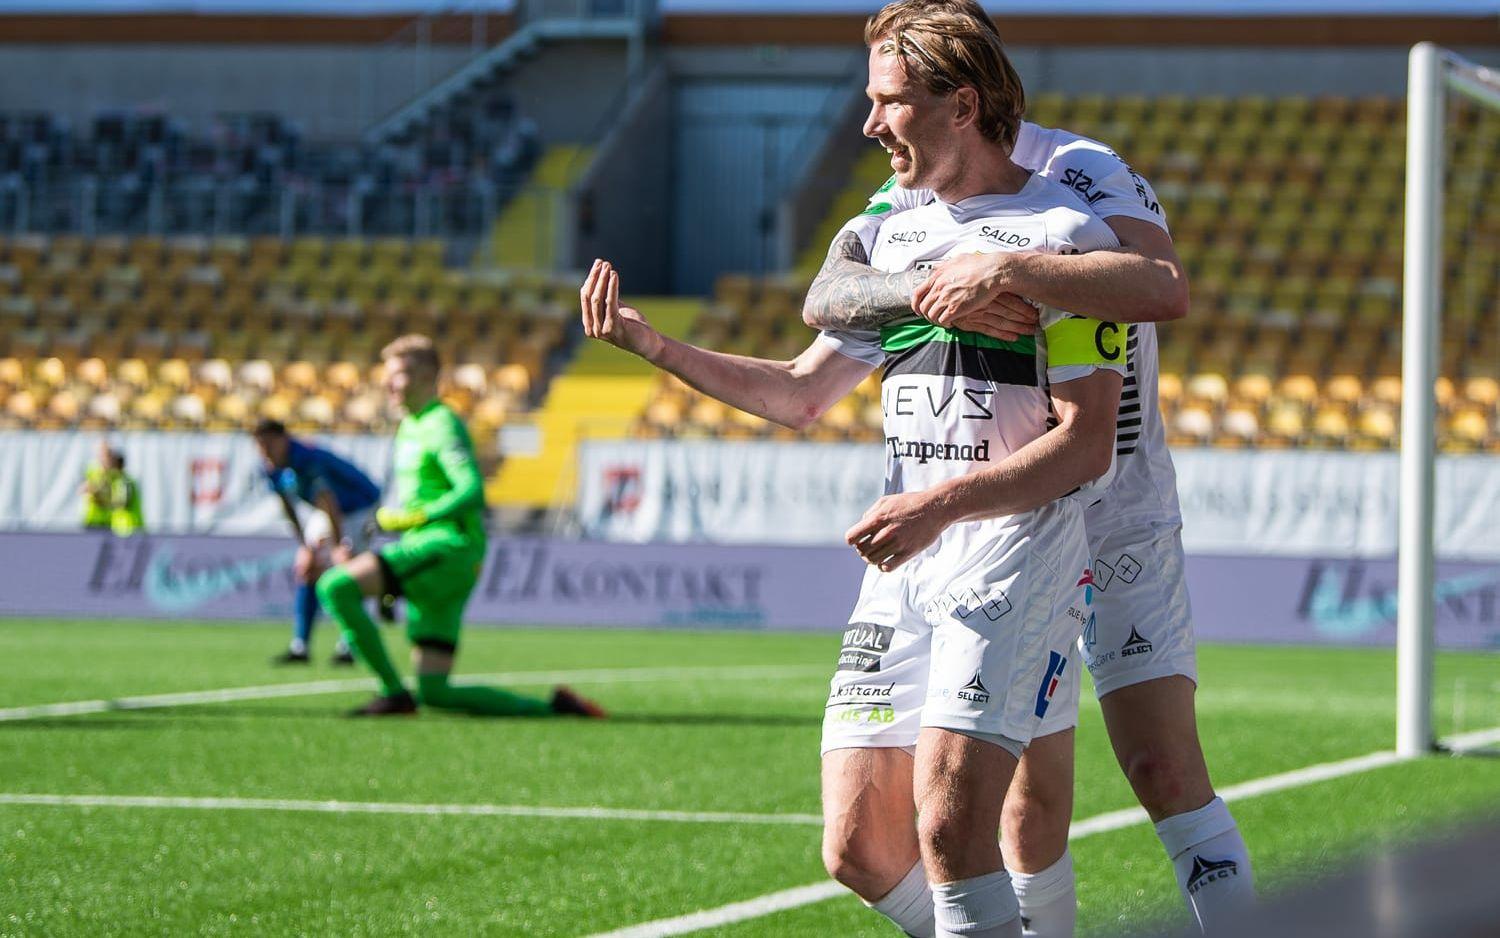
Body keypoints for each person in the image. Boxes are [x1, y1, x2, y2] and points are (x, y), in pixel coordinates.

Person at [580, 6, 1130, 924]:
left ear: (960, 105)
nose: (870, 126)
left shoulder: (1064, 234)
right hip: (905, 557)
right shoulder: (891, 237)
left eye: (889, 104)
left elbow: (1084, 443)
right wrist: (656, 348)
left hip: (1010, 551)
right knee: (857, 847)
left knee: (954, 835)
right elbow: (800, 392)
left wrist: (942, 505)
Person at [800, 2, 1255, 933]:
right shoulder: (915, 197)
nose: (875, 119)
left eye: (893, 88)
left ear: (965, 84)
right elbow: (836, 298)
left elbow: (1161, 286)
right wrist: (947, 284)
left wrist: (1010, 272)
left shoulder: (1074, 169)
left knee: (1163, 770)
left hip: (1114, 498)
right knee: (1011, 809)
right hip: (1003, 514)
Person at [314, 334, 606, 720]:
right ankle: (557, 711)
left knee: (335, 587)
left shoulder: (441, 423)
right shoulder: (409, 426)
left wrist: (413, 519)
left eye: (398, 375)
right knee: (435, 692)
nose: (387, 384)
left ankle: (392, 694)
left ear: (427, 376)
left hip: (446, 548)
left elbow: (471, 490)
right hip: (440, 557)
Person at [252, 418, 383, 666]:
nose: (265, 451)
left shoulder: (306, 458)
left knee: (349, 573)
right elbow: (287, 505)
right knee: (308, 569)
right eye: (260, 445)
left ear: (283, 440)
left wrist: (336, 549)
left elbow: (328, 500)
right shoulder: (270, 466)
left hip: (359, 507)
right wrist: (304, 544)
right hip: (328, 512)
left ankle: (349, 645)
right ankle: (300, 646)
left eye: (269, 444)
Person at [81, 446, 144, 536]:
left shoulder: (123, 481)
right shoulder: (110, 479)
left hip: (130, 527)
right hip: (118, 527)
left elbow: (122, 503)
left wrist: (100, 497)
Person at [80, 441, 115, 531]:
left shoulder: (114, 473)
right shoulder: (92, 470)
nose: (105, 458)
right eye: (102, 454)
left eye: (108, 454)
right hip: (92, 519)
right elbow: (83, 489)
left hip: (108, 520)